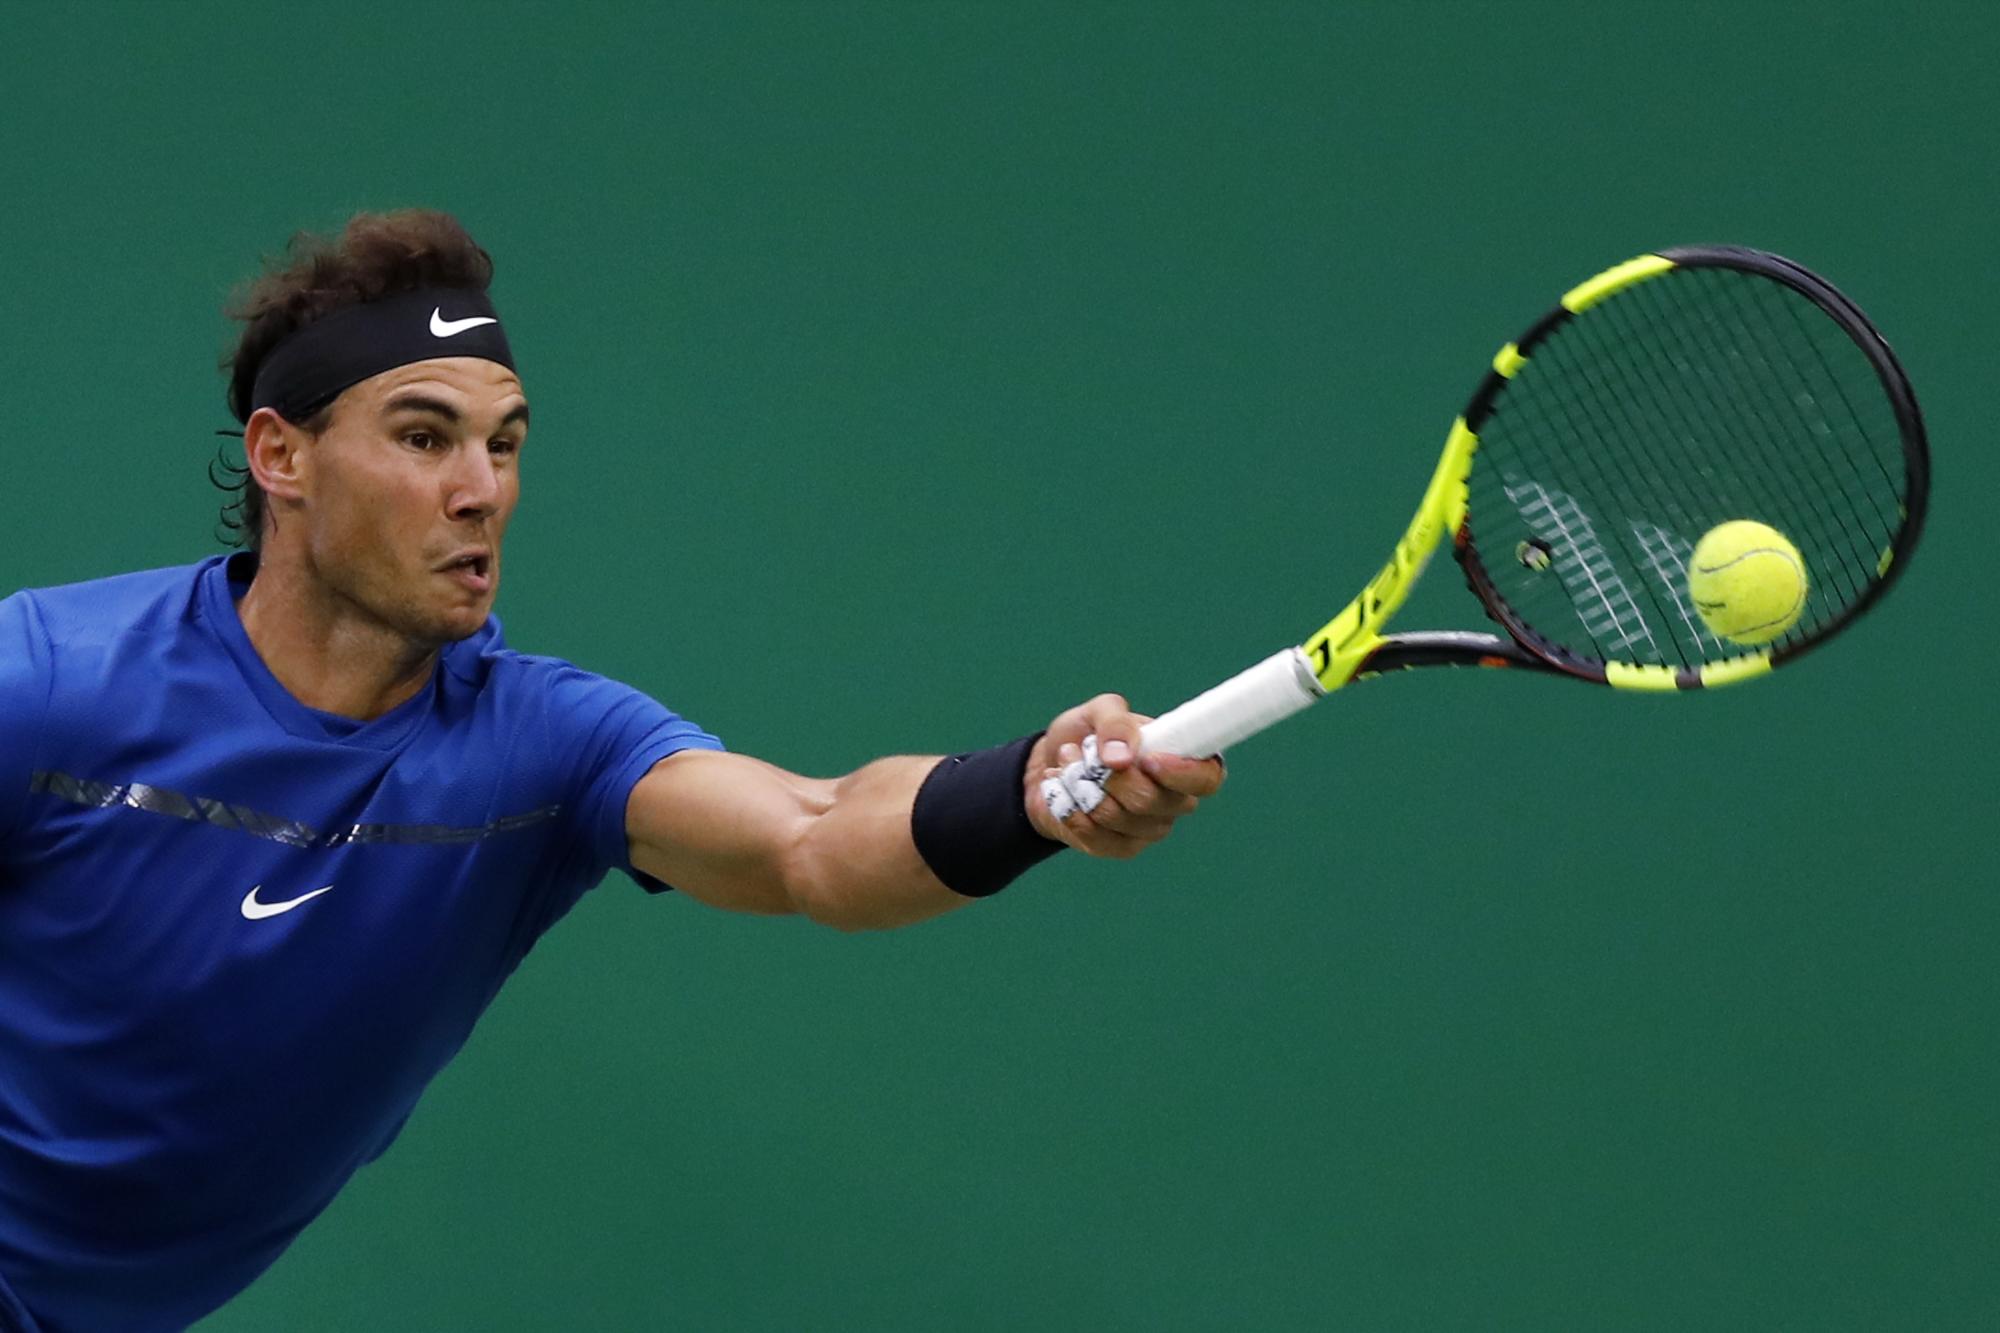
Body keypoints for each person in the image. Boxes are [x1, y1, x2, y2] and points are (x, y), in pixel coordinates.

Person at [0, 210, 1222, 1331]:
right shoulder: (54, 681)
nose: (480, 491)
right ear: (282, 456)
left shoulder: (546, 745)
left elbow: (814, 836)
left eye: (504, 443)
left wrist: (1021, 794)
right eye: (424, 437)